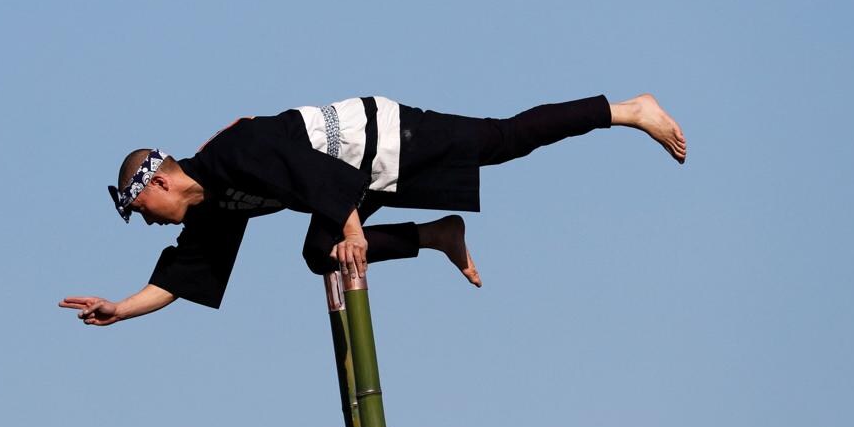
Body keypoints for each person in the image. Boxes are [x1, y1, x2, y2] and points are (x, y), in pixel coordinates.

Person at [62, 93, 685, 327]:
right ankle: (438, 234)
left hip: (382, 135)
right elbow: (179, 277)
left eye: (141, 208)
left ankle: (629, 111)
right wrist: (120, 309)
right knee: (319, 255)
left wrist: (352, 226)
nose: (145, 221)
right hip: (356, 178)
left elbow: (313, 173)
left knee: (502, 140)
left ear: (162, 180)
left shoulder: (234, 152)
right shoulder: (212, 207)